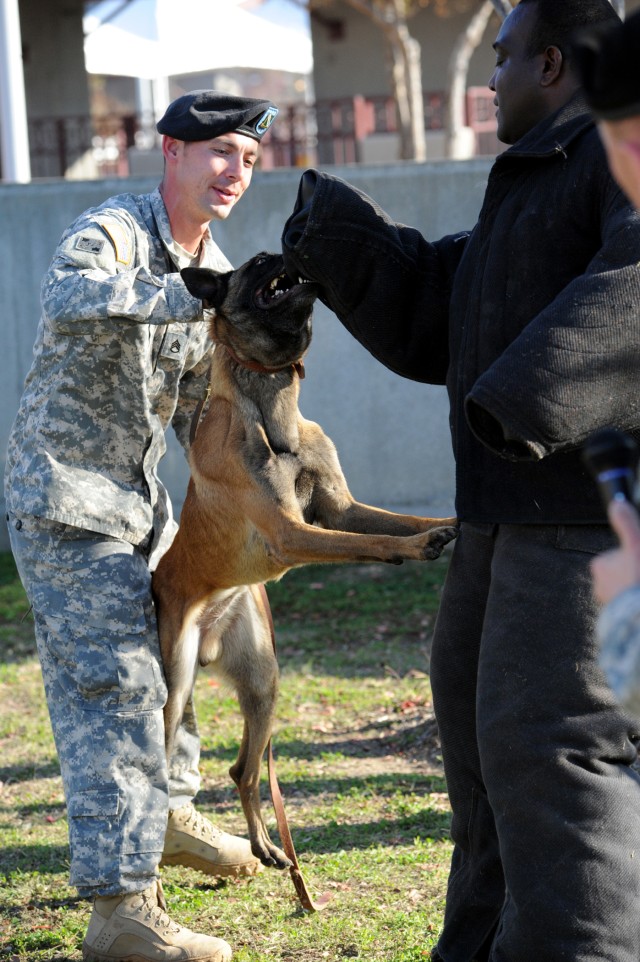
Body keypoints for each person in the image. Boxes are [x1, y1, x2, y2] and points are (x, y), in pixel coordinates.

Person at [279, 1, 640, 960]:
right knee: (487, 760)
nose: (490, 75)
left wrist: (527, 396)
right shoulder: (540, 174)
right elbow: (461, 302)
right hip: (501, 522)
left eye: (503, 54)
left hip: (586, 529)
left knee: (548, 758)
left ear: (555, 63)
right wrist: (340, 236)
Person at [4, 90, 278, 962]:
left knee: (183, 649)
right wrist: (191, 296)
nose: (236, 172)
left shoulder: (219, 267)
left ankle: (171, 815)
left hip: (137, 507)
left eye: (248, 158)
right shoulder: (118, 232)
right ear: (172, 152)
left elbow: (199, 411)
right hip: (63, 498)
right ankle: (121, 908)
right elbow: (68, 293)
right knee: (116, 690)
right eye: (221, 153)